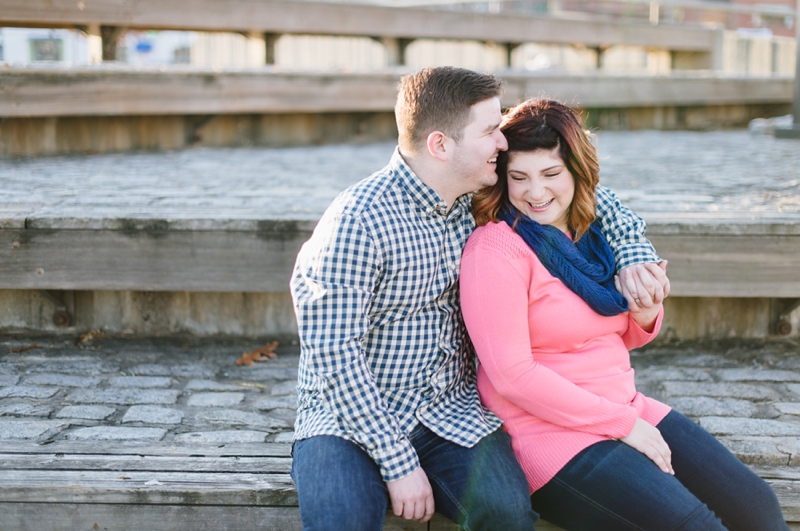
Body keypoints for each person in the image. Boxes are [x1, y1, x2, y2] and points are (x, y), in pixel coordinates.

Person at [289, 67, 667, 531]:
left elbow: (591, 195)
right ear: (440, 145)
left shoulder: (480, 195)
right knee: (339, 522)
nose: (503, 143)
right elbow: (334, 354)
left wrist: (632, 254)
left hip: (451, 414)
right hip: (349, 419)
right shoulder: (357, 221)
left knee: (507, 515)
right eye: (490, 131)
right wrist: (398, 463)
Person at [459, 98, 788, 531]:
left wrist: (647, 309)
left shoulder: (593, 233)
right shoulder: (497, 249)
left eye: (551, 174)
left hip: (623, 405)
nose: (535, 193)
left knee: (758, 506)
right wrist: (621, 424)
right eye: (519, 178)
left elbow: (617, 338)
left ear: (578, 170)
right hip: (548, 437)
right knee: (696, 526)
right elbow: (511, 375)